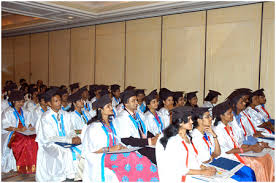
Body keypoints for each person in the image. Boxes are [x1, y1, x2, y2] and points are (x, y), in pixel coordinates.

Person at [82, 94, 159, 182]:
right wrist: (111, 149)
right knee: (132, 159)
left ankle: (152, 178)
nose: (111, 108)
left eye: (111, 105)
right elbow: (93, 149)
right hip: (102, 156)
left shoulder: (111, 123)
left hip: (114, 152)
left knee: (138, 156)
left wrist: (122, 147)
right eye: (108, 106)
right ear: (100, 109)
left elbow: (118, 140)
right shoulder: (95, 127)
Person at [213, 101, 274, 182]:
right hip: (225, 158)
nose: (232, 115)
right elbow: (228, 150)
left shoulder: (229, 126)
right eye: (229, 113)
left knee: (266, 157)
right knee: (256, 165)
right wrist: (250, 148)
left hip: (235, 154)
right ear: (221, 116)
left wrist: (256, 146)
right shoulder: (218, 130)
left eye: (231, 113)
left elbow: (238, 144)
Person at [156, 106, 217, 182]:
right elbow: (178, 168)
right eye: (189, 119)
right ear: (180, 122)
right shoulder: (171, 140)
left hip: (189, 174)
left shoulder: (186, 136)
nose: (192, 122)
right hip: (176, 178)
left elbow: (192, 158)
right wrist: (202, 172)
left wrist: (204, 167)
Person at [35, 88, 82, 182]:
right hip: (50, 144)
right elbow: (51, 137)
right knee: (67, 152)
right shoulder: (45, 117)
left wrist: (74, 137)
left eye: (59, 100)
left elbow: (71, 130)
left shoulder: (65, 114)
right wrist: (69, 140)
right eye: (56, 101)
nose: (59, 103)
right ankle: (66, 176)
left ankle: (78, 175)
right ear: (49, 103)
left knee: (81, 148)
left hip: (66, 141)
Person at [113, 90, 159, 164]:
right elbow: (126, 140)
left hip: (143, 145)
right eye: (133, 101)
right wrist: (149, 141)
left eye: (136, 100)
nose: (137, 103)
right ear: (126, 103)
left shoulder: (138, 114)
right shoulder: (121, 118)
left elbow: (145, 131)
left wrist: (154, 138)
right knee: (156, 157)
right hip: (132, 149)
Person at [2, 90, 38, 174]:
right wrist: (18, 129)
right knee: (25, 141)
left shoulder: (25, 111)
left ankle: (33, 165)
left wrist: (30, 127)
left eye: (22, 101)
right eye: (18, 102)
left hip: (24, 132)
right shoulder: (7, 112)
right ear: (13, 101)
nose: (20, 104)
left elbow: (28, 123)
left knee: (34, 139)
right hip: (12, 132)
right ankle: (23, 166)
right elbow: (6, 126)